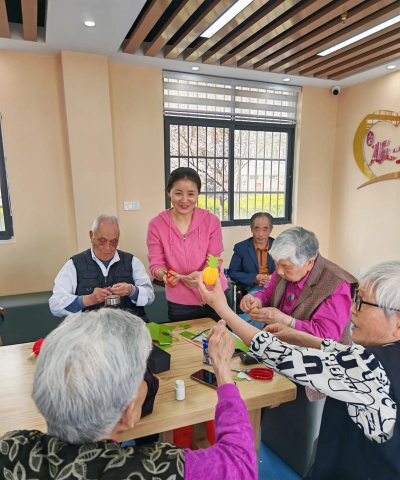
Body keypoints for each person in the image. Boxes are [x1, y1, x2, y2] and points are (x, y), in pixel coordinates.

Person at [198, 260, 400, 480]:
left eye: (361, 302)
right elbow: (344, 353)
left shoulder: (369, 365)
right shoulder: (384, 356)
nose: (352, 308)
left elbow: (275, 352)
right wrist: (298, 336)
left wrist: (222, 308)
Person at [0, 309, 257, 480]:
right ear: (129, 411)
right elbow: (241, 464)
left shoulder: (11, 447)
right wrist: (222, 369)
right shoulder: (154, 468)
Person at [240, 226, 357, 341]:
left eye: (286, 266)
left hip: (318, 352)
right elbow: (268, 293)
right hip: (281, 344)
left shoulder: (337, 284)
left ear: (309, 263)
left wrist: (285, 321)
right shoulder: (285, 269)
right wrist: (257, 300)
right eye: (276, 263)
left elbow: (326, 337)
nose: (279, 271)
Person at [147, 167, 228, 322]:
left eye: (191, 194)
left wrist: (203, 276)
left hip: (214, 293)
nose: (184, 200)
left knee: (222, 335)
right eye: (178, 193)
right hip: (180, 301)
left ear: (198, 194)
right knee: (184, 338)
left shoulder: (211, 221)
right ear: (168, 192)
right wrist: (166, 276)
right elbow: (156, 265)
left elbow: (214, 260)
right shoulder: (156, 225)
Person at [49, 214, 154, 320]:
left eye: (113, 242)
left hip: (130, 326)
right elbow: (55, 305)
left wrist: (131, 291)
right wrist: (88, 299)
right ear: (91, 236)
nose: (108, 248)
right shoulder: (74, 264)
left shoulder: (132, 262)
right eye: (102, 241)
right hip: (90, 328)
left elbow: (150, 297)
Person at [228, 212, 275, 290]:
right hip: (252, 288)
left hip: (275, 287)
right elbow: (233, 272)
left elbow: (287, 269)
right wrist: (254, 278)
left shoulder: (279, 246)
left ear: (271, 229)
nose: (260, 234)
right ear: (251, 229)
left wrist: (273, 278)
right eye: (257, 229)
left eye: (265, 229)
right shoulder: (241, 247)